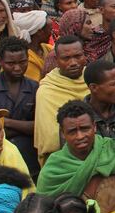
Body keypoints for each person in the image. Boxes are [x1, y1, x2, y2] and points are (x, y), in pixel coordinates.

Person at [36, 100, 115, 213]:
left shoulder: (113, 156)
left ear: (94, 127)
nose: (80, 136)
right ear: (63, 133)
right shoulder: (52, 169)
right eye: (72, 131)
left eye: (85, 128)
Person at [0, 37, 38, 177]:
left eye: (22, 62)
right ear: (0, 61)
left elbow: (38, 127)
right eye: (11, 63)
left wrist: (4, 121)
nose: (17, 67)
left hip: (29, 156)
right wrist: (24, 128)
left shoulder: (35, 87)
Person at [34, 36, 91, 166]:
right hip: (62, 162)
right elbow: (50, 140)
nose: (73, 62)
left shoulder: (93, 80)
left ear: (84, 56)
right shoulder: (47, 91)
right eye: (66, 58)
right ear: (57, 60)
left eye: (78, 56)